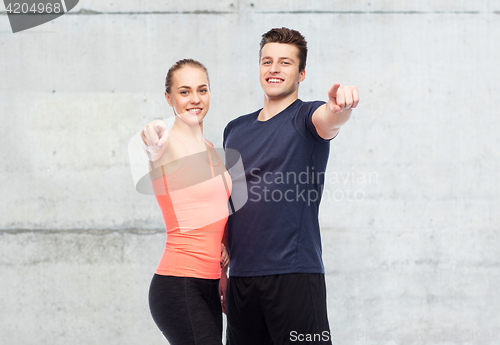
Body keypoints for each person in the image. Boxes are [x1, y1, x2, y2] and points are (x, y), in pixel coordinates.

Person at [143, 28, 359, 344]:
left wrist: (342, 108)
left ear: (301, 74)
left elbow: (330, 119)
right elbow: (228, 202)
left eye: (285, 63)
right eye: (267, 61)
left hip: (293, 277)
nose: (274, 68)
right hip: (241, 283)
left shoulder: (307, 118)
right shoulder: (234, 131)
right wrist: (223, 272)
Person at [142, 59, 231, 345]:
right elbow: (154, 146)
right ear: (168, 98)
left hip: (210, 283)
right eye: (184, 92)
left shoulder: (212, 151)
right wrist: (153, 139)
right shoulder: (168, 145)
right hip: (178, 284)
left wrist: (224, 270)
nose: (195, 99)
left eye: (202, 90)